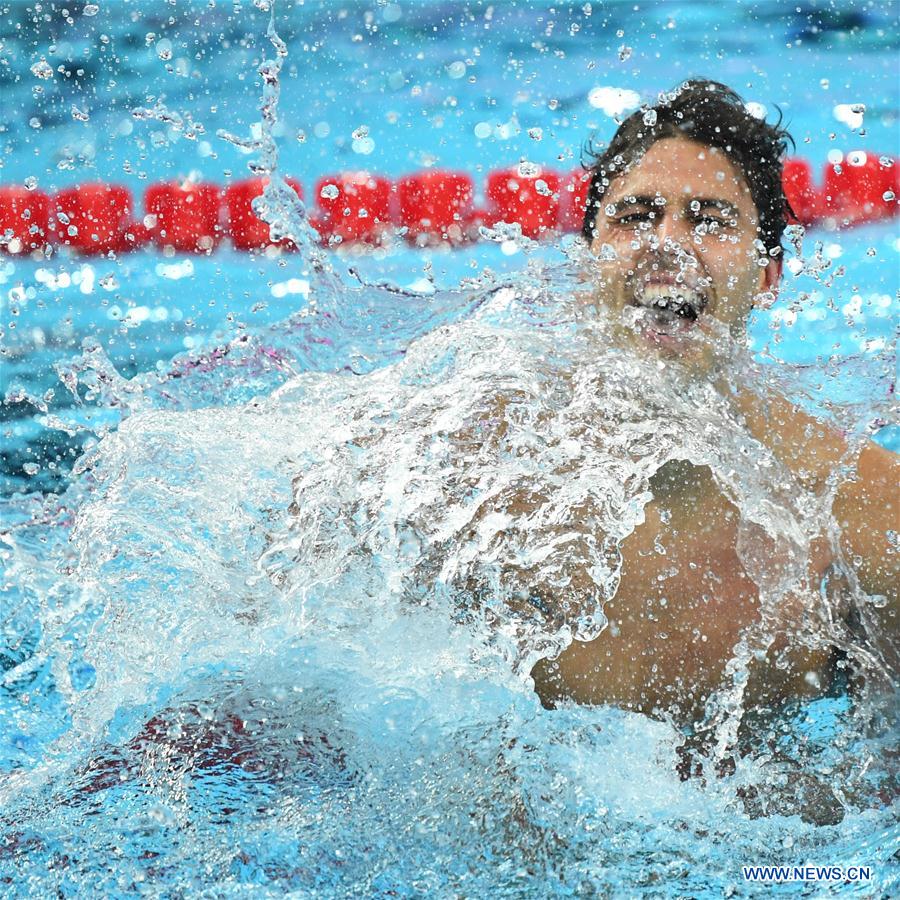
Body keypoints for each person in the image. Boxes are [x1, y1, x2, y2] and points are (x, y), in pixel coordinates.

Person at [529, 79, 898, 722]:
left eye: (709, 219)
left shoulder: (862, 512)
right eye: (636, 216)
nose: (667, 243)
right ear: (591, 259)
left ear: (766, 275)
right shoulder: (476, 474)